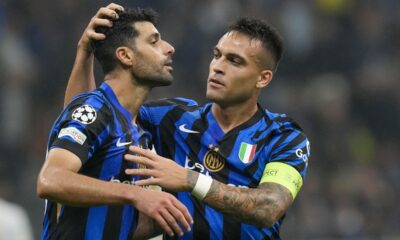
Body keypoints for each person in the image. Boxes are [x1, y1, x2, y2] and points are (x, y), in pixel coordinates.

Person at [66, 7, 310, 239]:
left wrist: (190, 179)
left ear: (263, 78)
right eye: (217, 55)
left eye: (234, 61)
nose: (217, 67)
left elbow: (269, 208)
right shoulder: (173, 117)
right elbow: (86, 121)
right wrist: (85, 54)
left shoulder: (283, 136)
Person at [36, 4, 192, 240]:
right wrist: (135, 195)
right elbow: (50, 180)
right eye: (154, 41)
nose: (169, 48)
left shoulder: (137, 127)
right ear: (125, 55)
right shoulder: (97, 109)